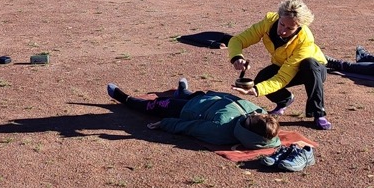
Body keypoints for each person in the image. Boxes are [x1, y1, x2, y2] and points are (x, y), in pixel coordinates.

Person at [227, 0, 330, 129]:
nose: (283, 31)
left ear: (299, 27)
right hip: (285, 64)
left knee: (309, 65)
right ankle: (284, 100)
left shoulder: (305, 40)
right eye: (282, 24)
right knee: (261, 79)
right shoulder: (268, 23)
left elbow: (282, 78)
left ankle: (318, 113)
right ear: (279, 17)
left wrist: (255, 91)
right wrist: (237, 57)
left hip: (314, 69)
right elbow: (237, 40)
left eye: (290, 28)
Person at [106, 81, 281, 149]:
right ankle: (183, 91)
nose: (253, 113)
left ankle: (125, 98)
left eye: (250, 118)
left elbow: (192, 127)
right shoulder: (262, 119)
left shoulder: (221, 130)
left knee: (152, 106)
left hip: (186, 111)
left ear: (248, 131)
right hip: (207, 99)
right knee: (190, 94)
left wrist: (165, 124)